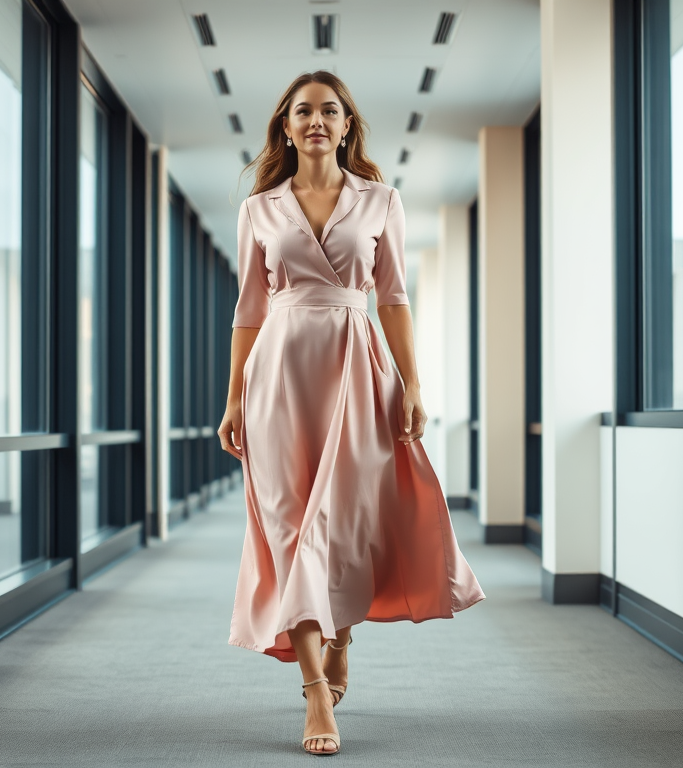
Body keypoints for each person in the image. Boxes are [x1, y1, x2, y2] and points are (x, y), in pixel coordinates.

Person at [217, 71, 485, 756]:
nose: (315, 120)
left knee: (344, 522)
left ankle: (342, 635)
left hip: (357, 371)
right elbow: (249, 313)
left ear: (345, 126)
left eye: (329, 111)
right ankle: (314, 694)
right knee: (286, 525)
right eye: (303, 111)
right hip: (278, 375)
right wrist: (234, 397)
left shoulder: (381, 201)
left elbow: (392, 297)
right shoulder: (259, 210)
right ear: (286, 126)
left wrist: (414, 384)